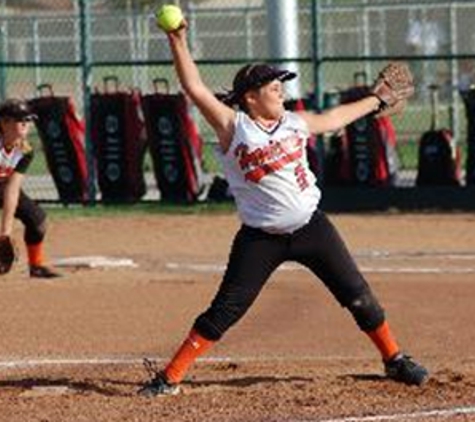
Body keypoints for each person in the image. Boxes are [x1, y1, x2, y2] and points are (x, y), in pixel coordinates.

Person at [138, 19, 428, 397]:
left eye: (281, 85)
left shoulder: (295, 122)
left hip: (312, 228)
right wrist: (177, 40)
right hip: (261, 238)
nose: (280, 90)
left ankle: (394, 359)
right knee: (225, 310)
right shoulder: (234, 127)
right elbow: (194, 87)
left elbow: (334, 118)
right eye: (271, 86)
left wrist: (376, 100)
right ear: (249, 97)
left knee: (359, 297)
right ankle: (170, 377)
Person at [0, 98, 61, 278]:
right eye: (21, 121)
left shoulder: (25, 150)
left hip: (3, 185)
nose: (26, 125)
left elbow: (13, 188)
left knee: (37, 221)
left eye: (28, 121)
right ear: (4, 122)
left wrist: (6, 231)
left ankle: (36, 265)